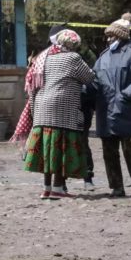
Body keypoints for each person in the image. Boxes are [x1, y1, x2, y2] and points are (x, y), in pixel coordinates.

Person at [22, 29, 95, 199]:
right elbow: (89, 77)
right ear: (74, 45)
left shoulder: (44, 57)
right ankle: (58, 189)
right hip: (62, 109)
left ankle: (46, 188)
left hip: (41, 108)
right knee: (61, 148)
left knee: (47, 149)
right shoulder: (73, 58)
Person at [93, 13, 131, 198]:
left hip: (128, 111)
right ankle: (117, 187)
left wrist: (126, 95)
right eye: (108, 36)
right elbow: (95, 80)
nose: (109, 39)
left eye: (112, 35)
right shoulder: (103, 57)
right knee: (109, 152)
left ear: (120, 36)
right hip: (106, 111)